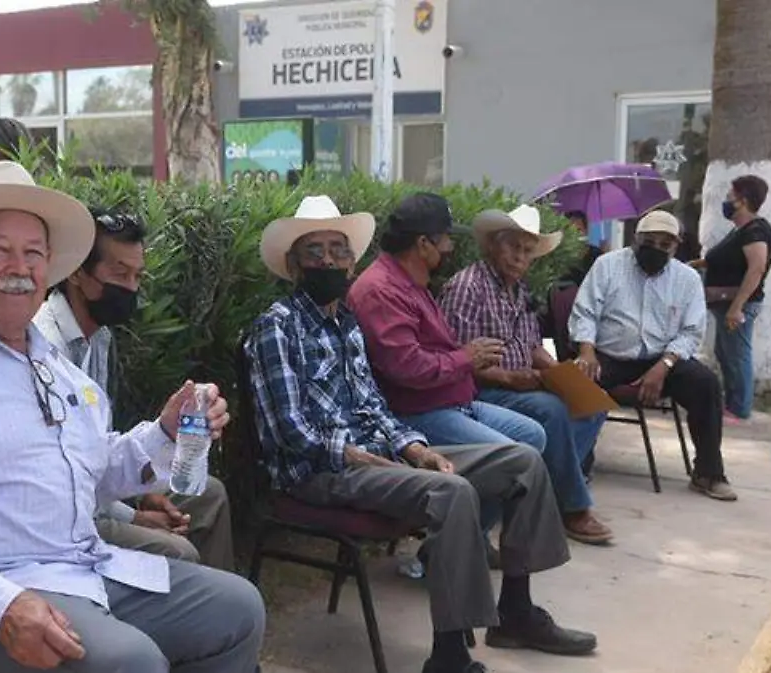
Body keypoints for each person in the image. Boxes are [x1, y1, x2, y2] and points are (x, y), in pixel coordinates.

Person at [0, 161, 265, 673]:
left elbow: (92, 470)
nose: (19, 267)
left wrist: (164, 432)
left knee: (238, 609)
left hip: (79, 568)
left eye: (33, 253)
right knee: (132, 663)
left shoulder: (52, 364)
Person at [246, 195, 596, 673]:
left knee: (523, 461)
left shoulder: (344, 324)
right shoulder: (277, 327)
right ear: (293, 264)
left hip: (379, 453)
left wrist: (414, 448)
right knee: (451, 493)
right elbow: (289, 432)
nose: (329, 260)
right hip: (320, 471)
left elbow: (372, 405)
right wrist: (363, 458)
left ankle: (516, 611)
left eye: (339, 250)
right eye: (314, 251)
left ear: (352, 260)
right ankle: (450, 656)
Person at [33, 207, 235, 571]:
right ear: (77, 271)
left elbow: (95, 447)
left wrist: (146, 493)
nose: (131, 288)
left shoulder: (99, 338)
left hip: (97, 492)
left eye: (138, 276)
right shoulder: (45, 348)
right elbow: (65, 476)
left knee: (210, 493)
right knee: (178, 552)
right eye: (120, 274)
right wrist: (132, 516)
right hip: (66, 521)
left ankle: (216, 613)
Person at [439, 205, 611, 544]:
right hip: (481, 389)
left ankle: (543, 496)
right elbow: (459, 361)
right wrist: (509, 378)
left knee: (591, 404)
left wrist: (563, 373)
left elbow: (532, 346)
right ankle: (572, 508)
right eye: (513, 247)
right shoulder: (468, 287)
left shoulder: (518, 290)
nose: (520, 257)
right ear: (492, 246)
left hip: (522, 384)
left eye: (527, 251)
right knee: (552, 411)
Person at [346, 193, 547, 452]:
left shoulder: (412, 282)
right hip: (417, 412)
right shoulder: (381, 290)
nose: (450, 248)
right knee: (517, 456)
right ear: (423, 244)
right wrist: (467, 357)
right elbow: (408, 368)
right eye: (446, 240)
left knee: (533, 435)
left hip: (453, 402)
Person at [569, 210, 736, 501]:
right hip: (610, 355)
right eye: (650, 242)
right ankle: (578, 466)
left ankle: (708, 472)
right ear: (636, 239)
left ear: (676, 245)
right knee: (578, 383)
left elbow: (691, 332)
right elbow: (585, 312)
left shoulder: (687, 279)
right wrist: (587, 349)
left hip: (663, 358)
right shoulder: (607, 266)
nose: (656, 249)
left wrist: (665, 365)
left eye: (665, 244)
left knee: (706, 384)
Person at [690, 175, 771, 421]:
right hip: (723, 302)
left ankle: (739, 407)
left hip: (738, 304)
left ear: (743, 201)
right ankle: (731, 403)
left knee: (737, 354)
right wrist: (694, 264)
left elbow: (756, 268)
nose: (726, 202)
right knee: (725, 352)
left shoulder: (756, 231)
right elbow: (722, 259)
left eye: (730, 197)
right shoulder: (740, 231)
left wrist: (737, 306)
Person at [561, 210, 603, 285]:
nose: (574, 235)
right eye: (570, 231)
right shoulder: (559, 258)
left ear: (586, 231)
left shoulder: (597, 256)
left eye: (578, 230)